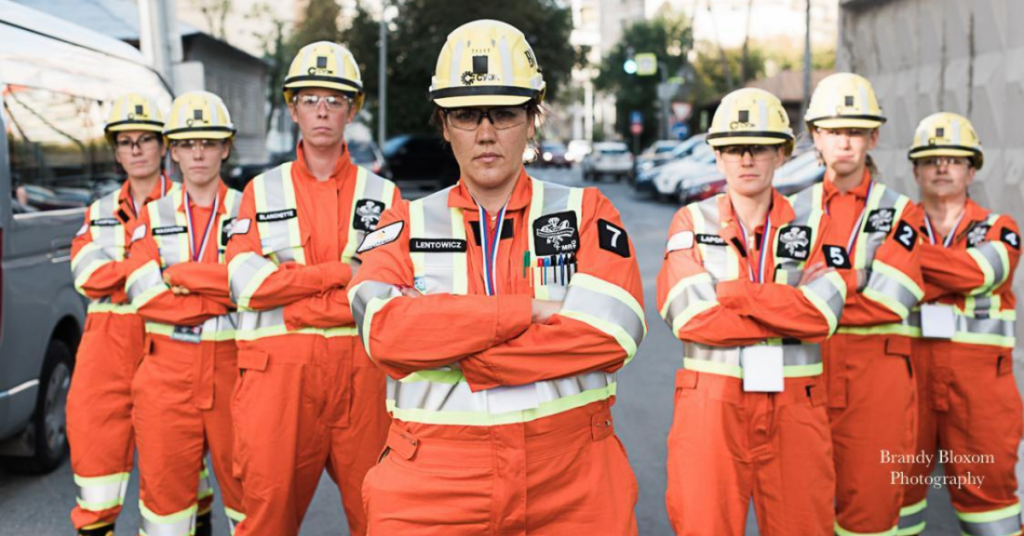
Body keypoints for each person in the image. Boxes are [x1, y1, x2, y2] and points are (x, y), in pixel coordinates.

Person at [348, 19, 646, 535]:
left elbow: (611, 333)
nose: (486, 133)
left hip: (572, 475)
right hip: (432, 480)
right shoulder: (400, 222)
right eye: (466, 115)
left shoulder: (587, 211)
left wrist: (448, 343)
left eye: (505, 113)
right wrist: (526, 310)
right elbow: (384, 333)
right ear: (444, 124)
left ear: (532, 119)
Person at [225, 41, 400, 536]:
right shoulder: (260, 192)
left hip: (362, 382)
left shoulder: (384, 195)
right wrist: (341, 275)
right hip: (277, 383)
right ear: (293, 108)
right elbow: (247, 284)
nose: (322, 110)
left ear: (352, 111)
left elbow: (390, 289)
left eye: (335, 100)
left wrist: (296, 299)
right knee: (266, 520)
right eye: (310, 99)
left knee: (381, 517)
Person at [657, 87, 849, 535]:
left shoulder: (818, 224)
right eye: (733, 149)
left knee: (803, 526)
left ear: (781, 154)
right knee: (704, 525)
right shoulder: (691, 220)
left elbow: (821, 316)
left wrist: (732, 293)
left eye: (758, 148)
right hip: (711, 405)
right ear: (718, 156)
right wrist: (785, 305)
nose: (745, 159)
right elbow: (689, 317)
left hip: (796, 408)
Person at [797, 72, 925, 536]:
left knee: (869, 512)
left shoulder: (904, 211)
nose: (844, 143)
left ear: (874, 136)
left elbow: (893, 301)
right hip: (805, 375)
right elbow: (777, 293)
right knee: (801, 509)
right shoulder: (790, 210)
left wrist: (813, 294)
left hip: (878, 381)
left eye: (855, 131)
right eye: (833, 130)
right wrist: (859, 279)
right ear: (815, 135)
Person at [66, 93, 198, 536]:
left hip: (171, 339)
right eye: (126, 141)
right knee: (96, 457)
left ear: (164, 146)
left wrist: (125, 271)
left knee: (180, 469)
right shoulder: (100, 211)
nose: (136, 149)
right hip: (106, 345)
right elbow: (88, 276)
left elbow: (203, 275)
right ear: (116, 150)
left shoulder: (189, 201)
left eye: (145, 139)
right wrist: (157, 269)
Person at [124, 90, 245, 535]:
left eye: (208, 142)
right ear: (172, 150)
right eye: (188, 143)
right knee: (164, 506)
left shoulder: (250, 210)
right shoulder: (149, 216)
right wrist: (219, 289)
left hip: (236, 371)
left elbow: (255, 288)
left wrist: (179, 274)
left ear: (225, 148)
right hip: (165, 374)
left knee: (249, 501)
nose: (198, 153)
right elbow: (144, 296)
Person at [897, 112, 1022, 536]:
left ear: (972, 169)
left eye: (954, 159)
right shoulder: (897, 225)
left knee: (992, 506)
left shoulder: (1000, 228)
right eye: (932, 160)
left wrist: (909, 266)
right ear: (915, 169)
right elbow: (963, 274)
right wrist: (952, 273)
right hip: (906, 387)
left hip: (981, 395)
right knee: (896, 498)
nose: (942, 167)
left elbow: (983, 274)